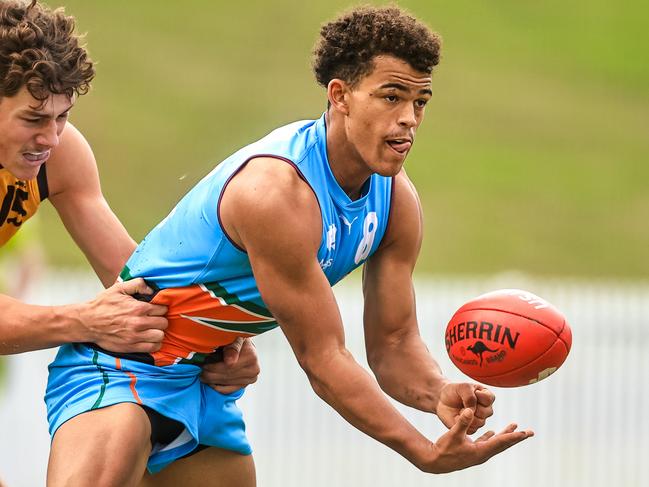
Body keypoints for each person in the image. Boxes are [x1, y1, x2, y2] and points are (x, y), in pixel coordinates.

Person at [45, 5, 534, 487]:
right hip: (118, 366)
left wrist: (438, 391)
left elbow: (393, 344)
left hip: (205, 383)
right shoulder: (278, 192)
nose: (409, 119)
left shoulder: (396, 200)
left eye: (420, 102)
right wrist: (420, 450)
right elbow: (322, 358)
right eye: (391, 97)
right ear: (340, 95)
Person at [0, 0, 260, 479]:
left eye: (63, 116)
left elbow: (142, 282)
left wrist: (219, 346)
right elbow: (98, 318)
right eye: (34, 118)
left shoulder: (62, 155)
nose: (52, 137)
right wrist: (83, 319)